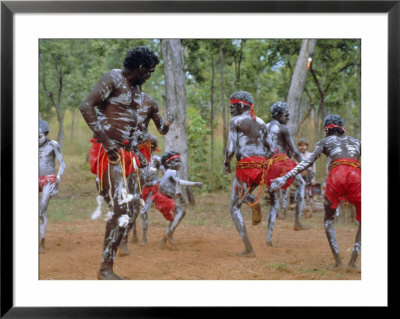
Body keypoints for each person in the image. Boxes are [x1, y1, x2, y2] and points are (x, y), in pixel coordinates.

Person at [79, 46, 159, 280]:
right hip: (109, 151)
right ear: (141, 67)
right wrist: (106, 141)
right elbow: (86, 106)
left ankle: (108, 263)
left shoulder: (137, 87)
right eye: (150, 71)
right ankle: (105, 268)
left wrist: (137, 152)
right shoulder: (113, 78)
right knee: (122, 207)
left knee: (133, 207)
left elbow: (132, 123)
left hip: (128, 153)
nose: (150, 75)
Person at [270, 114, 361, 271]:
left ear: (327, 130)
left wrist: (285, 177)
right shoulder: (357, 142)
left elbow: (307, 162)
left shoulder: (325, 141)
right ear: (342, 129)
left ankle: (338, 262)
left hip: (336, 176)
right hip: (357, 176)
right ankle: (353, 261)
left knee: (328, 220)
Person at [223, 91, 271, 257]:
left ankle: (249, 249)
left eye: (232, 106)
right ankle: (252, 201)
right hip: (261, 169)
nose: (230, 110)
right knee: (242, 197)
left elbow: (230, 149)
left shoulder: (236, 121)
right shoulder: (262, 122)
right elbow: (271, 149)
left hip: (245, 167)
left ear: (241, 105)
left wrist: (226, 164)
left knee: (234, 207)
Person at [264, 102, 310, 246]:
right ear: (277, 115)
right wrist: (304, 165)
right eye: (286, 115)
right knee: (301, 184)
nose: (288, 117)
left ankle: (269, 238)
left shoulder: (265, 127)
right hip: (283, 165)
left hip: (269, 167)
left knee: (273, 203)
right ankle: (297, 221)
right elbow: (295, 151)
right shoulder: (283, 128)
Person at [147, 151, 203, 245]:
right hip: (163, 198)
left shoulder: (168, 172)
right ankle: (169, 234)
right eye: (175, 161)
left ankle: (164, 241)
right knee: (181, 212)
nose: (178, 164)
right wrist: (195, 184)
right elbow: (179, 182)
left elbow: (167, 187)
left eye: (179, 161)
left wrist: (176, 196)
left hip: (163, 198)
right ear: (168, 163)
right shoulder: (171, 171)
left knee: (174, 219)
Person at [130, 134, 164, 246]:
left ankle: (144, 238)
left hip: (151, 190)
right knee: (133, 211)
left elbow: (165, 174)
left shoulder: (157, 160)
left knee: (143, 211)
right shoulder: (137, 159)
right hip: (138, 189)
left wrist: (157, 183)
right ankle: (134, 234)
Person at [39, 119, 66, 253]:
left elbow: (62, 164)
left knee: (42, 208)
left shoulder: (53, 145)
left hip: (48, 179)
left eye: (39, 136)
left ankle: (41, 241)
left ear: (45, 133)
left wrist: (57, 180)